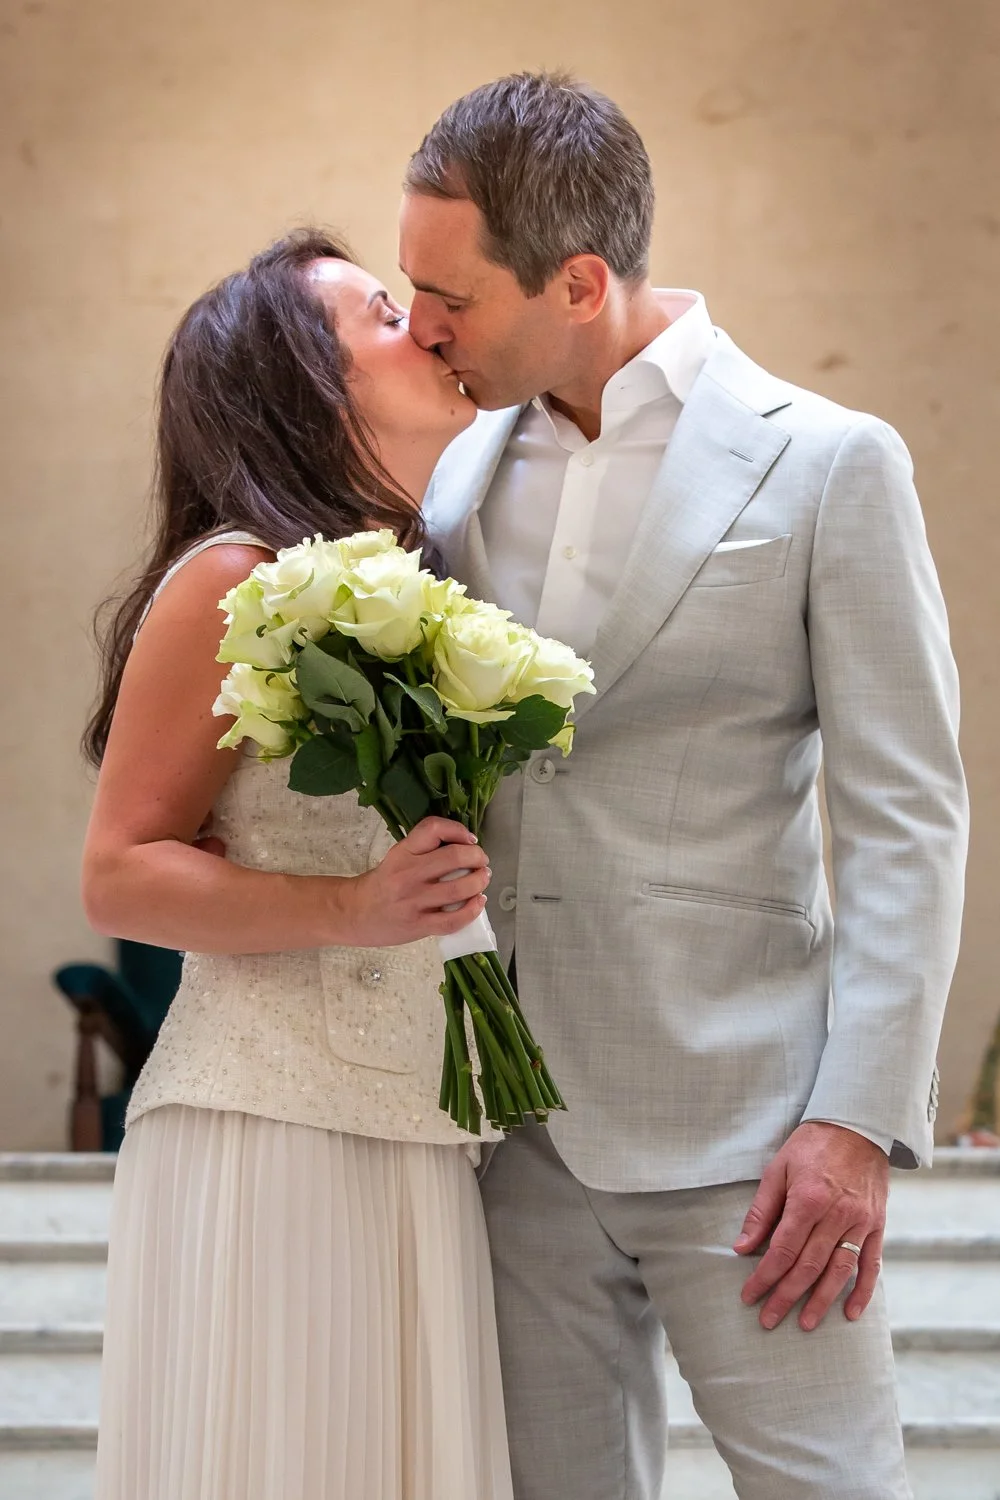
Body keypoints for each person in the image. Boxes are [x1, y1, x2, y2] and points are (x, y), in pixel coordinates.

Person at [399, 72, 969, 1499]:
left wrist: (853, 1124)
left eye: (449, 294)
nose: (419, 326)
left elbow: (907, 819)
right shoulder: (450, 480)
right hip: (508, 1137)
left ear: (579, 281)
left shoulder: (830, 464)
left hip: (759, 1138)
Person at [82, 229, 513, 1500]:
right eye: (385, 314)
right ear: (306, 386)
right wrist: (356, 905)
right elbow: (119, 872)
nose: (428, 327)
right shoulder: (232, 578)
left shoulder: (416, 585)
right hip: (273, 1131)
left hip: (414, 1125)